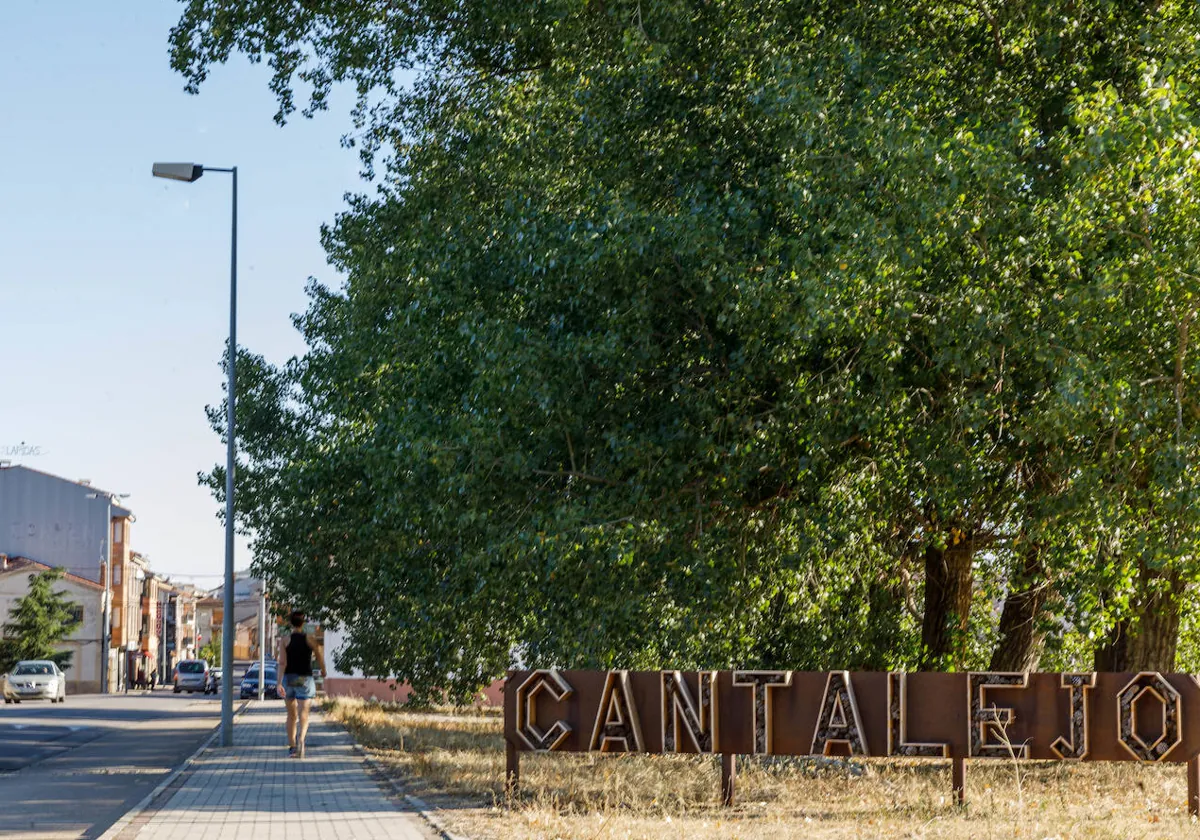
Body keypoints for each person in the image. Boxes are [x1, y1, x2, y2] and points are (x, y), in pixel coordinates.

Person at [277, 609, 324, 758]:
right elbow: (319, 655)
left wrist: (279, 682)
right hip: (305, 679)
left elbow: (282, 663)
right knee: (304, 713)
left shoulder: (285, 640)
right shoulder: (310, 638)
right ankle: (301, 739)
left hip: (290, 679)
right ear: (303, 623)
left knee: (291, 715)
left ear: (290, 623)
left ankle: (292, 747)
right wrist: (323, 670)